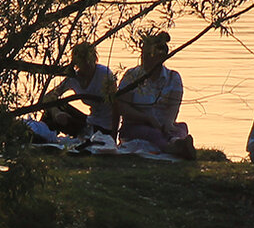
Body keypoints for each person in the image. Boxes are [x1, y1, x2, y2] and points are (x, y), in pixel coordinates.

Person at [116, 31, 196, 160]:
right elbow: (123, 108)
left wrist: (168, 123)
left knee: (180, 127)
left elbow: (173, 107)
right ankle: (173, 147)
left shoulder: (173, 77)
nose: (144, 59)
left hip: (163, 124)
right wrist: (146, 118)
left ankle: (177, 142)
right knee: (153, 133)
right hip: (135, 125)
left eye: (149, 55)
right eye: (143, 54)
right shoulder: (132, 76)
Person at [41, 41, 118, 138]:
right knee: (54, 108)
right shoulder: (74, 78)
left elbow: (116, 105)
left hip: (103, 128)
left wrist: (113, 136)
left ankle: (43, 138)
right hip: (90, 121)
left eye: (89, 63)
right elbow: (48, 97)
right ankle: (42, 136)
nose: (87, 66)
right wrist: (56, 112)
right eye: (83, 63)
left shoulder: (104, 74)